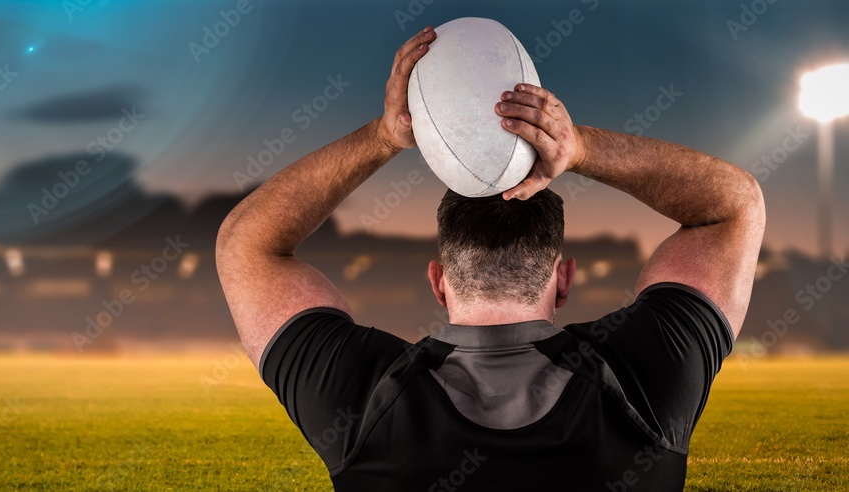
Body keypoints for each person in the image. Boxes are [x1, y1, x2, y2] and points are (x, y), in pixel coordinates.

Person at [216, 26, 765, 491]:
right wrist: (579, 147)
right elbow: (733, 206)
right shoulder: (647, 376)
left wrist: (382, 137)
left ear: (439, 281)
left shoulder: (362, 399)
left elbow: (246, 243)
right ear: (564, 278)